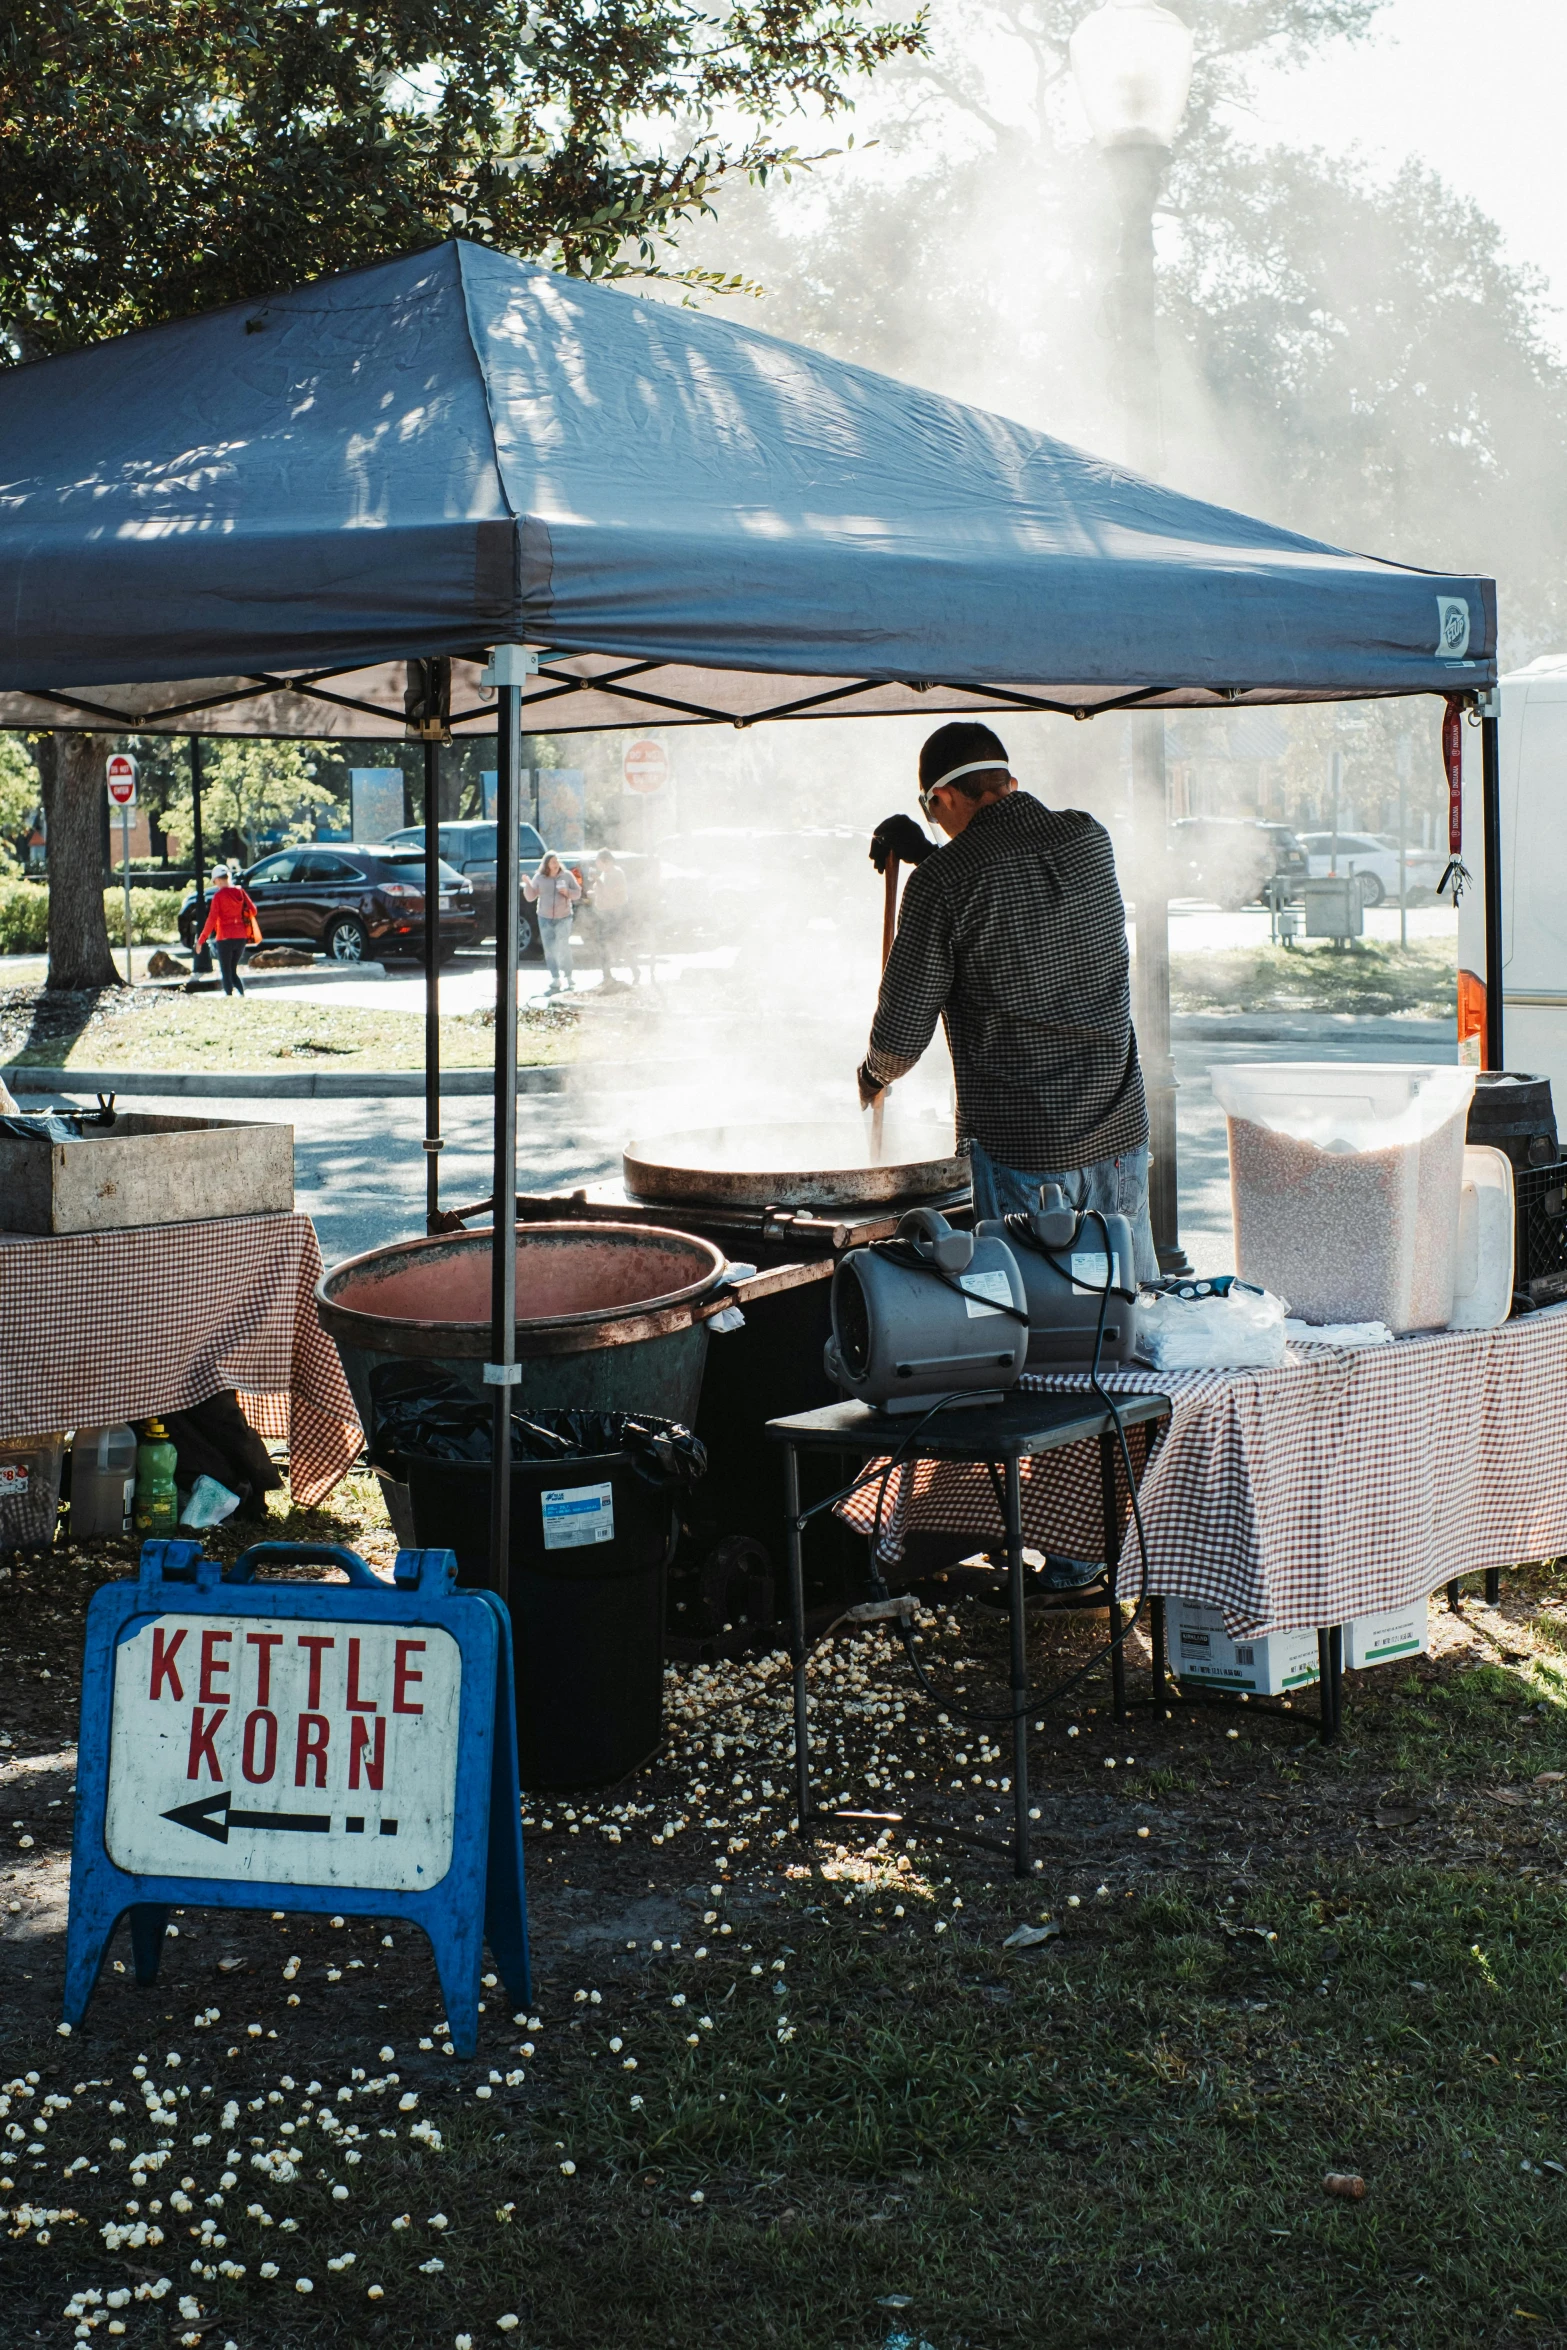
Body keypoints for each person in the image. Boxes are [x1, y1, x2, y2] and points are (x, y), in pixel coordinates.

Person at [858, 719, 1157, 1281]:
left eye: (933, 812)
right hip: (1119, 1133)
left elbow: (901, 1034)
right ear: (1009, 784)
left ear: (941, 797)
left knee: (1041, 1329)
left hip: (1025, 1149)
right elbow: (1015, 899)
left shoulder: (942, 883)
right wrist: (929, 854)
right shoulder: (1089, 839)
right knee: (1133, 1312)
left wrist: (873, 1075)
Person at [195, 863, 261, 999]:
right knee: (232, 969)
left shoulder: (218, 896)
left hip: (225, 937)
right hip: (241, 937)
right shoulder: (240, 892)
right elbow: (253, 910)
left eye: (215, 882)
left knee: (226, 970)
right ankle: (241, 993)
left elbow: (211, 920)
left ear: (218, 880)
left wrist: (201, 940)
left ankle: (229, 995)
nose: (216, 885)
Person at [523, 850, 582, 992]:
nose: (556, 865)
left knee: (563, 945)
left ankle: (568, 975)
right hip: (544, 917)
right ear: (546, 865)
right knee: (549, 948)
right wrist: (527, 884)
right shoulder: (540, 877)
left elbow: (578, 893)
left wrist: (567, 892)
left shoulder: (566, 875)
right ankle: (555, 977)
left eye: (557, 862)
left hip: (564, 916)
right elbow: (531, 897)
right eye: (553, 862)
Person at [589, 848, 631, 985]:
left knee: (617, 944)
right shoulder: (604, 874)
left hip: (614, 914)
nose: (597, 864)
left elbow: (612, 894)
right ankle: (607, 975)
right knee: (604, 945)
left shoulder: (616, 873)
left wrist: (598, 882)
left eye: (598, 861)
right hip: (604, 913)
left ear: (606, 861)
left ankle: (633, 969)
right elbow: (601, 892)